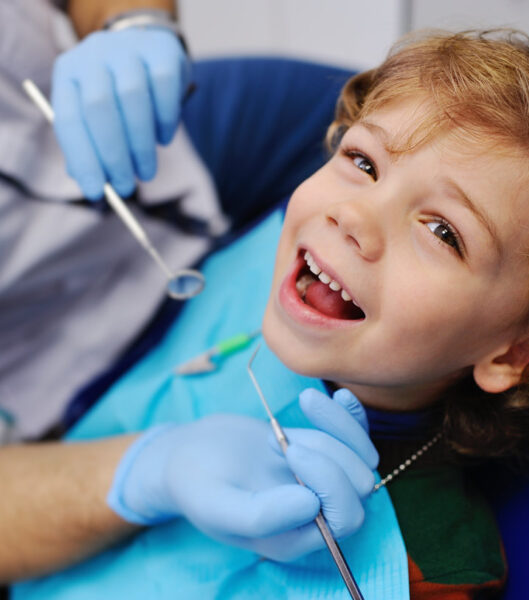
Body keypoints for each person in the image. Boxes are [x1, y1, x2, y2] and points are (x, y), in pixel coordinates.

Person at [10, 27, 529, 600]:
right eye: (365, 162)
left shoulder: (434, 569)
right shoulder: (258, 262)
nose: (354, 216)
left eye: (444, 231)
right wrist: (150, 471)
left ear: (512, 352)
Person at [1, 0, 360, 588]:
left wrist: (132, 21)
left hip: (156, 146)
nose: (357, 222)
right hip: (62, 388)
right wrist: (148, 470)